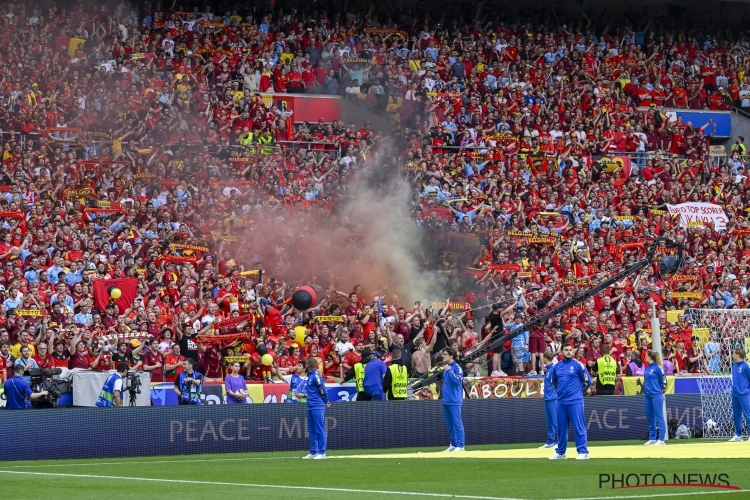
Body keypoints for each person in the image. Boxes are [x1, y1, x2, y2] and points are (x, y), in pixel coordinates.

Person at [550, 344, 592, 460]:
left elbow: (588, 381)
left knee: (579, 427)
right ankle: (561, 453)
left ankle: (583, 452)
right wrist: (560, 392)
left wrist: (579, 393)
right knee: (561, 429)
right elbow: (553, 382)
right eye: (566, 350)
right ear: (561, 352)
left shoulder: (578, 365)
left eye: (570, 350)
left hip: (575, 401)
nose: (569, 352)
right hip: (561, 402)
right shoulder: (556, 367)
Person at [299, 357, 330, 459]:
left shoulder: (316, 376)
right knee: (311, 429)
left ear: (307, 365)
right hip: (310, 405)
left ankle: (322, 452)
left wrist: (325, 401)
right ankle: (313, 451)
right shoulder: (311, 375)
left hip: (317, 405)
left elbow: (323, 389)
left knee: (319, 429)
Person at [441, 347, 466, 452]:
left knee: (457, 423)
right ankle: (453, 444)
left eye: (445, 354)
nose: (443, 356)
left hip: (454, 400)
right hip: (446, 399)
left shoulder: (456, 367)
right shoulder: (446, 367)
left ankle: (461, 446)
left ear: (451, 356)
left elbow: (457, 381)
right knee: (450, 424)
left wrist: (450, 371)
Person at [643, 350, 667, 445]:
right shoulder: (647, 367)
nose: (645, 357)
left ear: (650, 357)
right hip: (647, 395)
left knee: (659, 417)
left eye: (646, 355)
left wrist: (662, 393)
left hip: (656, 395)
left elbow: (664, 381)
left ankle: (661, 439)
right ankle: (652, 438)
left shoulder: (659, 368)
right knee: (650, 417)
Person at [728, 348, 750, 442]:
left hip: (744, 395)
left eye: (733, 353)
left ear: (737, 355)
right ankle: (738, 435)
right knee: (737, 416)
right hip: (735, 394)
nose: (732, 355)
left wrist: (747, 390)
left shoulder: (745, 366)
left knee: (748, 415)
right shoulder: (734, 366)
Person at [539, 352, 558, 449]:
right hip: (547, 398)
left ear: (545, 358)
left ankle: (559, 441)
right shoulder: (549, 370)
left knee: (555, 421)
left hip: (553, 398)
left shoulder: (553, 369)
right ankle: (550, 441)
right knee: (550, 422)